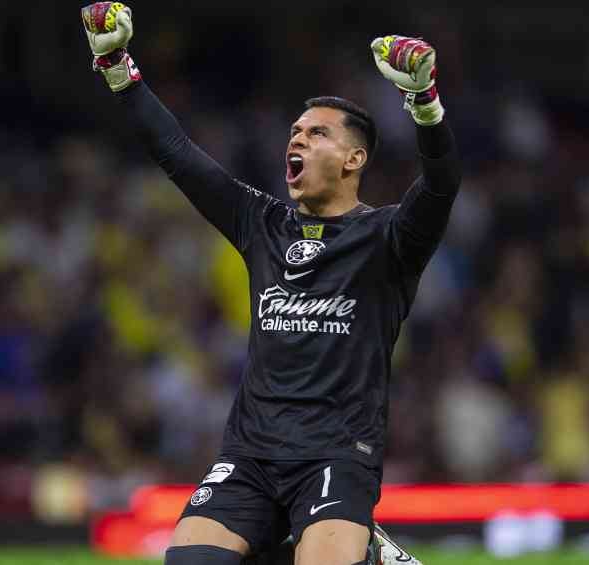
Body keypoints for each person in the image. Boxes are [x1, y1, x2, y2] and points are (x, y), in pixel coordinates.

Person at [81, 4, 460, 564]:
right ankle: (369, 558)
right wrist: (117, 66)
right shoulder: (263, 223)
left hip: (335, 456)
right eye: (295, 132)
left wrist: (425, 104)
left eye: (317, 133)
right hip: (252, 454)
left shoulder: (388, 239)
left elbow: (440, 186)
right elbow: (179, 156)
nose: (297, 140)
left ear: (354, 158)